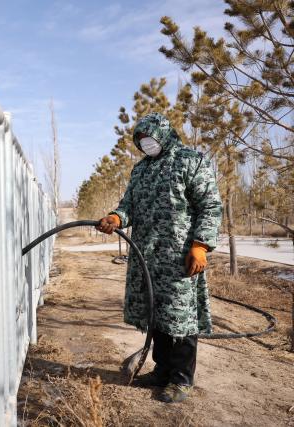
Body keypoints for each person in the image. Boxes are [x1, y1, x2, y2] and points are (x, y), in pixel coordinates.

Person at [96, 112, 222, 403]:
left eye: (149, 138)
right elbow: (129, 206)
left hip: (180, 259)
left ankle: (180, 379)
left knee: (182, 317)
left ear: (163, 134)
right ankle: (162, 370)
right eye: (140, 140)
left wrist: (201, 245)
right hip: (147, 257)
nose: (145, 144)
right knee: (157, 315)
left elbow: (210, 206)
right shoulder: (140, 171)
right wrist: (116, 217)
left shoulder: (190, 161)